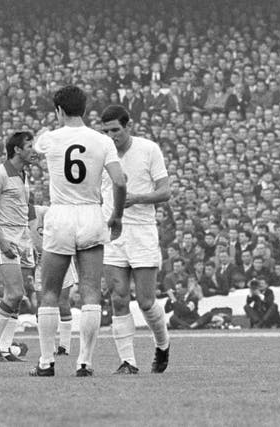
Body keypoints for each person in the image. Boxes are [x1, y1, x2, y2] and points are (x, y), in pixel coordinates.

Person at [30, 86, 126, 377]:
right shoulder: (102, 141)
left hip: (60, 214)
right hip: (91, 213)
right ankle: (85, 362)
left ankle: (47, 362)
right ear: (85, 109)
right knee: (90, 293)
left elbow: (35, 144)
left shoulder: (49, 139)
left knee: (49, 292)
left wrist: (50, 126)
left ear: (59, 110)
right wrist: (117, 216)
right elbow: (120, 182)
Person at [99, 105, 171, 375]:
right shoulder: (100, 153)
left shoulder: (149, 149)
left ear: (128, 126)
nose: (111, 136)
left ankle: (162, 344)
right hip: (113, 232)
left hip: (141, 231)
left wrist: (137, 198)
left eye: (115, 130)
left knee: (145, 301)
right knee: (118, 298)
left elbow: (165, 192)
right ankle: (128, 362)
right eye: (106, 131)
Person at [0, 131, 37, 362]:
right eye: (30, 146)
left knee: (18, 295)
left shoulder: (23, 174)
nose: (34, 150)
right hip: (5, 236)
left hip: (22, 236)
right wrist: (2, 241)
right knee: (14, 293)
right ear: (17, 150)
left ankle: (4, 348)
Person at [30, 203, 77, 356]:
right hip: (39, 265)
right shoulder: (14, 216)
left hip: (59, 258)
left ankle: (64, 346)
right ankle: (48, 348)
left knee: (62, 302)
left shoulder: (44, 212)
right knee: (41, 305)